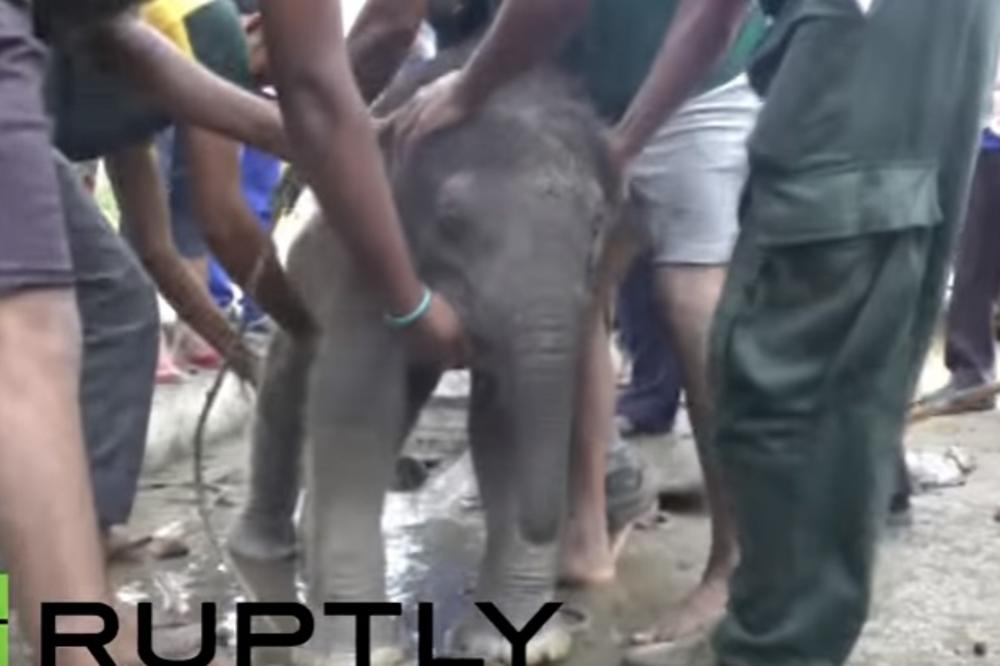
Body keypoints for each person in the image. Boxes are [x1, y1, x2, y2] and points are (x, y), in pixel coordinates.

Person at [920, 60, 1000, 415]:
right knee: (975, 262)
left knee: (975, 262)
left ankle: (972, 372)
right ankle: (971, 373)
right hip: (989, 140)